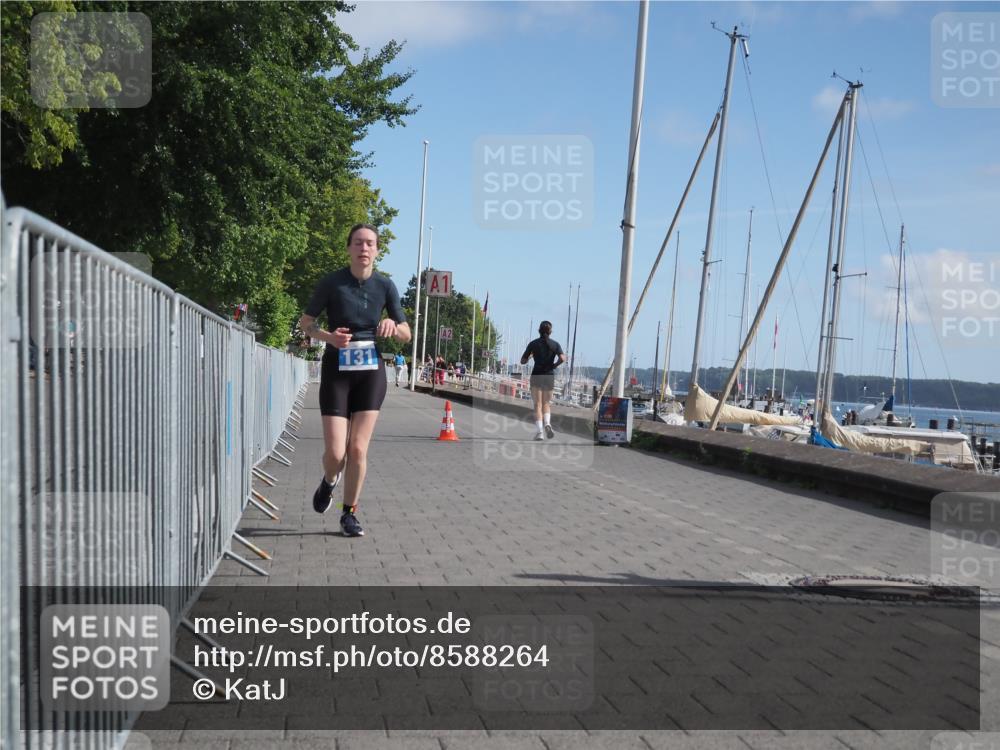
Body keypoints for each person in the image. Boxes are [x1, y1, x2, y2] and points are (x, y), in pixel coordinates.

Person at [298, 224, 411, 537]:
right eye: (358, 243)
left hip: (370, 372)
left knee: (358, 450)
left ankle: (348, 514)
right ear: (348, 248)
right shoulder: (332, 283)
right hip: (337, 369)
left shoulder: (385, 286)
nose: (364, 248)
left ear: (377, 250)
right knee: (336, 454)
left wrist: (392, 324)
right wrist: (328, 337)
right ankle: (329, 480)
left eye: (370, 244)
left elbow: (406, 333)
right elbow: (306, 324)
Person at [520, 321, 566, 440]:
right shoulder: (555, 344)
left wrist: (530, 356)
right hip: (549, 375)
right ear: (550, 331)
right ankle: (547, 424)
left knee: (537, 404)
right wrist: (555, 365)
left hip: (536, 375)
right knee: (546, 403)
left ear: (539, 330)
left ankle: (540, 432)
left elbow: (523, 361)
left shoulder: (533, 344)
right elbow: (562, 358)